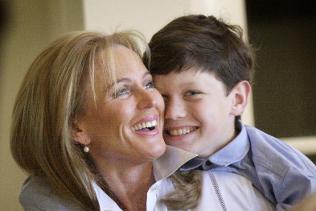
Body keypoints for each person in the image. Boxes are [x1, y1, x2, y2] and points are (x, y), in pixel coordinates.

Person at [11, 30, 202, 211]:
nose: (152, 99)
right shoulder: (46, 201)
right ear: (75, 128)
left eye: (148, 84)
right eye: (122, 91)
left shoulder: (208, 172)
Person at [145, 14, 316, 210]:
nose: (172, 113)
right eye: (162, 96)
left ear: (237, 99)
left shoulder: (285, 173)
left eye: (192, 93)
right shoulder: (140, 162)